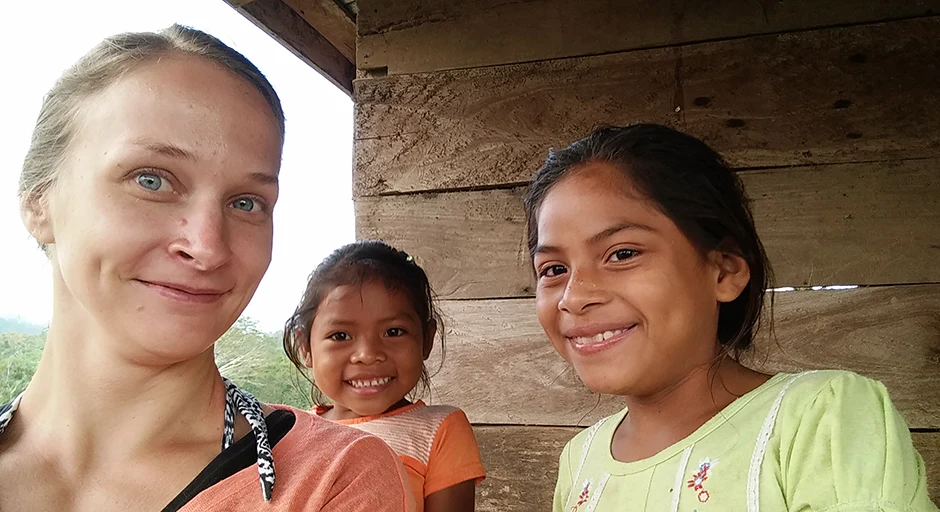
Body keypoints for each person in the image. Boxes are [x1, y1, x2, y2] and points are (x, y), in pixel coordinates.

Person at [0, 25, 414, 512]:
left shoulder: (328, 480)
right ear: (39, 202)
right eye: (151, 180)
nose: (208, 247)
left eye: (246, 202)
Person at [523, 124, 938, 511]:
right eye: (554, 269)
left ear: (723, 272)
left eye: (622, 254)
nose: (574, 297)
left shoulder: (820, 418)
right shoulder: (581, 459)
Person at [283, 240, 486, 512]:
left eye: (393, 332)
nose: (367, 355)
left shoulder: (438, 431)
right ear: (305, 347)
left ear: (426, 340)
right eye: (340, 336)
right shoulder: (289, 434)